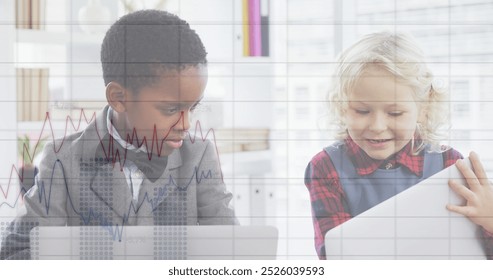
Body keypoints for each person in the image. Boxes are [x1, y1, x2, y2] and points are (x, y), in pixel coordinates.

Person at [1, 10, 238, 260]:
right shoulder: (62, 159)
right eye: (171, 109)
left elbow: (232, 250)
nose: (186, 123)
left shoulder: (198, 156)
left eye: (192, 107)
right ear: (119, 98)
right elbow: (15, 253)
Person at [304, 31, 493, 259]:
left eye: (395, 113)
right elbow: (335, 259)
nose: (377, 126)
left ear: (423, 109)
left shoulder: (450, 164)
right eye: (362, 111)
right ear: (343, 107)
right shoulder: (326, 168)